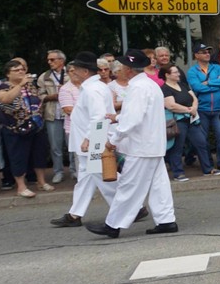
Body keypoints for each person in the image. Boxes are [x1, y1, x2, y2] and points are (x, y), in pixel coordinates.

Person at [85, 49, 178, 237]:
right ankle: (166, 220)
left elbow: (133, 120)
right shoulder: (150, 85)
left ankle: (113, 225)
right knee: (159, 185)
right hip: (154, 143)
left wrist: (113, 140)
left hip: (141, 145)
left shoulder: (137, 88)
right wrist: (119, 117)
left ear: (129, 69)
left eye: (123, 66)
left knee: (129, 185)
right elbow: (142, 115)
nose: (120, 69)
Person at [51, 53, 118, 227]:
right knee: (87, 177)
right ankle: (75, 214)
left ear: (85, 71)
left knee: (102, 174)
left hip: (93, 139)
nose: (72, 71)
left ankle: (129, 206)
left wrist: (89, 138)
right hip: (91, 138)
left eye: (76, 69)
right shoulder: (93, 87)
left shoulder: (92, 89)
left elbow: (98, 116)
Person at [0, 58, 53, 198]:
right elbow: (6, 99)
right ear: (8, 74)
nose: (21, 71)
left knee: (39, 154)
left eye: (22, 69)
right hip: (15, 129)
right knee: (18, 157)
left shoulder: (31, 86)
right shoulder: (3, 88)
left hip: (36, 126)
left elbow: (39, 101)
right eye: (17, 70)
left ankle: (41, 181)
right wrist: (20, 85)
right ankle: (21, 187)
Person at [187, 42, 220, 171]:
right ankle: (207, 162)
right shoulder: (192, 71)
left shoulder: (217, 67)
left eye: (208, 52)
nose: (207, 54)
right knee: (203, 139)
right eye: (204, 52)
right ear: (196, 55)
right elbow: (197, 87)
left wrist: (208, 82)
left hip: (218, 109)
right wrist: (215, 85)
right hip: (202, 109)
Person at [159, 65, 204, 181]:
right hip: (178, 120)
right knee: (177, 147)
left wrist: (194, 107)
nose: (178, 74)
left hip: (191, 118)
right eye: (175, 72)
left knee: (201, 142)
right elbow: (171, 105)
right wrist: (188, 110)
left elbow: (194, 97)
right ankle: (178, 173)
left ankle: (208, 168)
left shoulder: (183, 84)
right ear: (167, 75)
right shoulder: (164, 89)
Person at [37, 49, 69, 184]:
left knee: (72, 145)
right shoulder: (44, 77)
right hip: (52, 114)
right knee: (55, 146)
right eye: (48, 59)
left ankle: (75, 170)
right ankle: (58, 172)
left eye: (52, 59)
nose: (49, 62)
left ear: (61, 60)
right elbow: (40, 95)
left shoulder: (72, 73)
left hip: (69, 114)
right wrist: (53, 96)